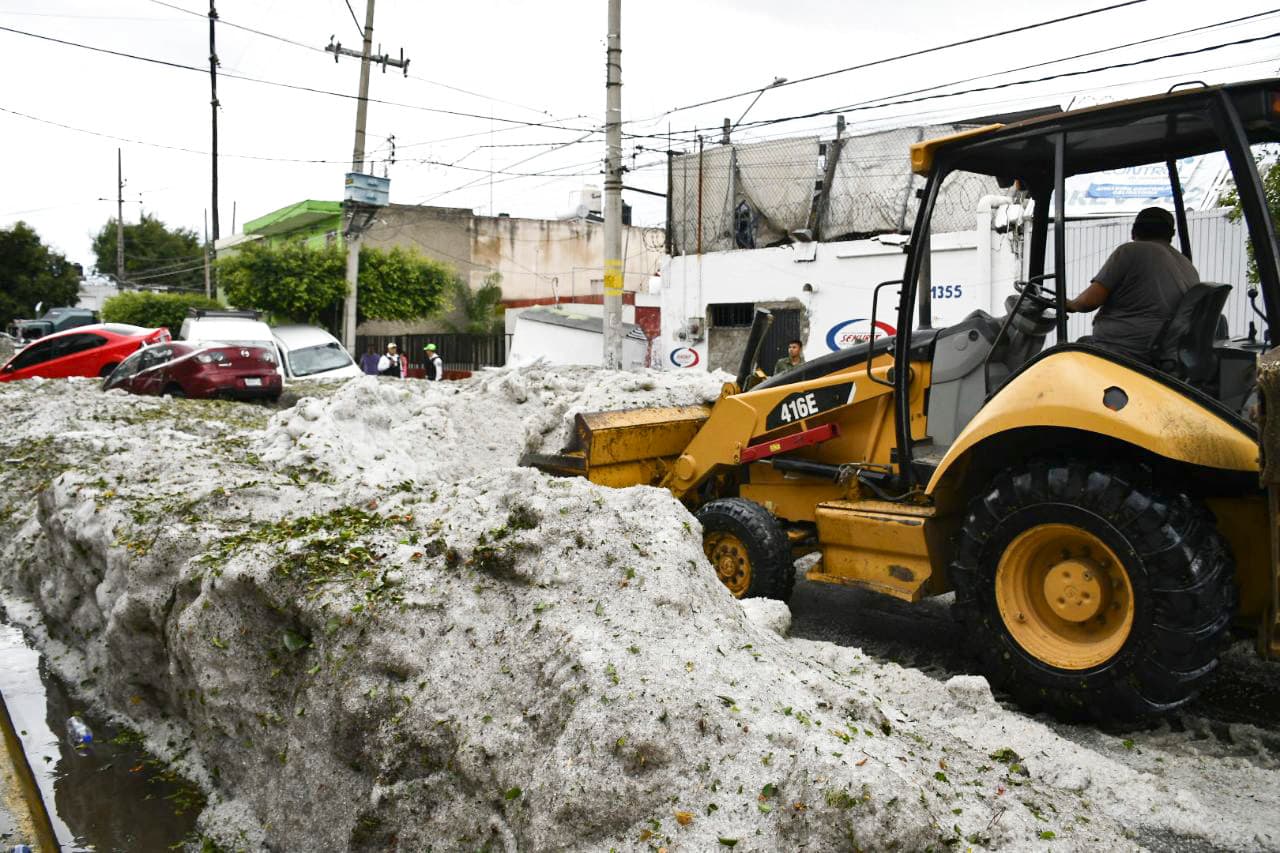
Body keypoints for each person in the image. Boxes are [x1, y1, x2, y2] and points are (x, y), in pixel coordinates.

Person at [1065, 206, 1198, 362]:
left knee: (1064, 358)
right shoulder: (1187, 264)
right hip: (1163, 347)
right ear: (1172, 234)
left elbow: (1088, 303)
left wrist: (1069, 304)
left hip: (1126, 349)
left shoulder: (1131, 251)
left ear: (1133, 231)